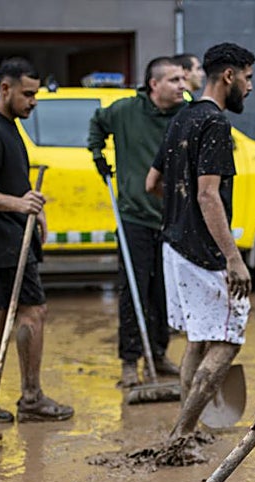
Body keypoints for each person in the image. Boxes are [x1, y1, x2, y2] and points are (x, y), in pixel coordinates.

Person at [146, 42, 255, 442]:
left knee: (198, 339)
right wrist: (234, 258)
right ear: (229, 76)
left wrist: (184, 210)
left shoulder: (182, 117)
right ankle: (182, 434)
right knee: (228, 339)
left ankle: (184, 431)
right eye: (247, 78)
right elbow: (208, 196)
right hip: (204, 253)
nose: (249, 87)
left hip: (174, 245)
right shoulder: (215, 124)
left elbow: (152, 183)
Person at [0, 57, 73, 424]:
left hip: (9, 236)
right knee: (33, 312)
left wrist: (33, 208)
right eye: (27, 94)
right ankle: (31, 398)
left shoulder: (8, 127)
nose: (33, 101)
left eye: (35, 94)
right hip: (3, 242)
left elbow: (10, 180)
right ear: (4, 89)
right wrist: (19, 205)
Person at [88, 56, 187, 387]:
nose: (182, 86)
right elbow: (97, 123)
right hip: (134, 217)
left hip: (171, 220)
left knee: (163, 294)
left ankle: (158, 355)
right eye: (174, 80)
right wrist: (97, 153)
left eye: (183, 79)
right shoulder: (124, 111)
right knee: (133, 290)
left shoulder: (185, 116)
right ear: (154, 84)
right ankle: (130, 361)